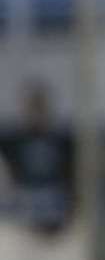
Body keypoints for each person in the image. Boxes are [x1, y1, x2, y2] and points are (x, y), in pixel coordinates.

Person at [0, 83, 72, 232]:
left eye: (39, 107)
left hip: (51, 192)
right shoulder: (14, 138)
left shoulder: (60, 138)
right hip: (24, 190)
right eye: (32, 107)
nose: (36, 112)